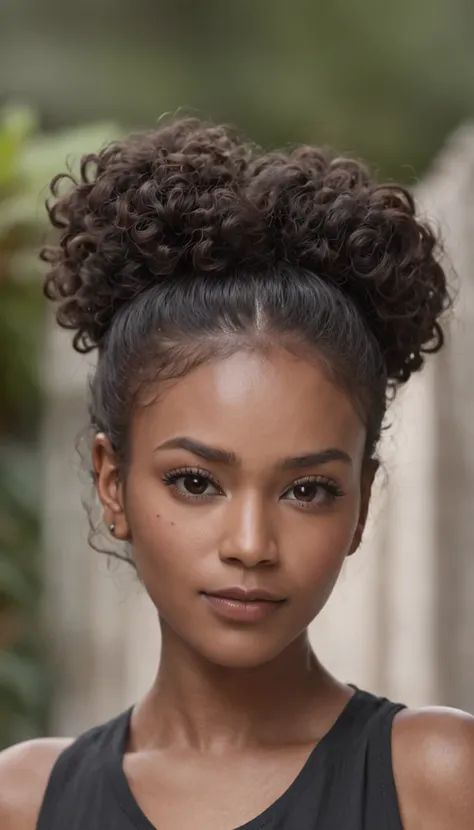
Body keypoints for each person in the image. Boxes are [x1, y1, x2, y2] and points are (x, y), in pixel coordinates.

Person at [0, 117, 472, 830]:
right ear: (111, 482)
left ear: (363, 505)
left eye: (306, 490)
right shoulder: (25, 802)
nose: (251, 544)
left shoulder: (437, 780)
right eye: (196, 482)